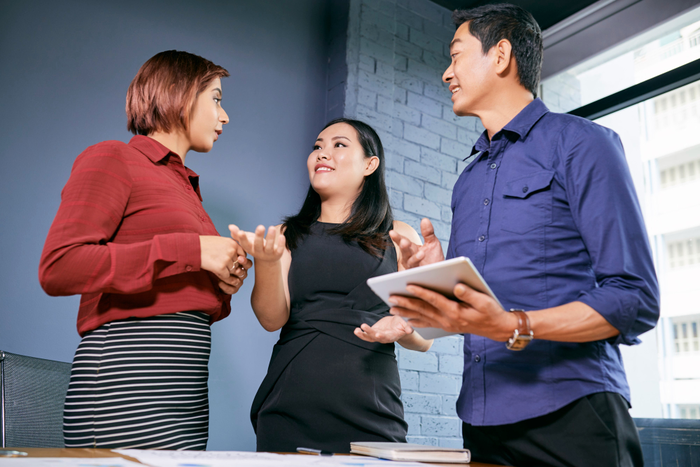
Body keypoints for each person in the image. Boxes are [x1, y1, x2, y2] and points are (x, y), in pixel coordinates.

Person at [388, 4, 660, 467]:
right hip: (481, 421)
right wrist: (433, 275)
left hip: (573, 414)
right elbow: (468, 315)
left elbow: (634, 298)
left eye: (456, 56)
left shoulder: (583, 144)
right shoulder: (468, 180)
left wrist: (515, 325)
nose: (445, 73)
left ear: (500, 56)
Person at [39, 50, 252, 450]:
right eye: (217, 99)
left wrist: (222, 282)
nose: (225, 117)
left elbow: (177, 289)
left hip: (185, 403)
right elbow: (59, 266)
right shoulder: (114, 157)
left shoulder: (186, 187)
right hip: (126, 396)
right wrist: (193, 250)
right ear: (179, 92)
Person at [229, 118, 432, 453]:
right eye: (317, 147)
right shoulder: (285, 236)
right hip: (290, 405)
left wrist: (404, 329)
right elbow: (271, 320)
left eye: (339, 145)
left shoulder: (400, 236)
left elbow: (425, 339)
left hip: (373, 407)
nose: (323, 153)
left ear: (370, 164)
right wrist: (265, 263)